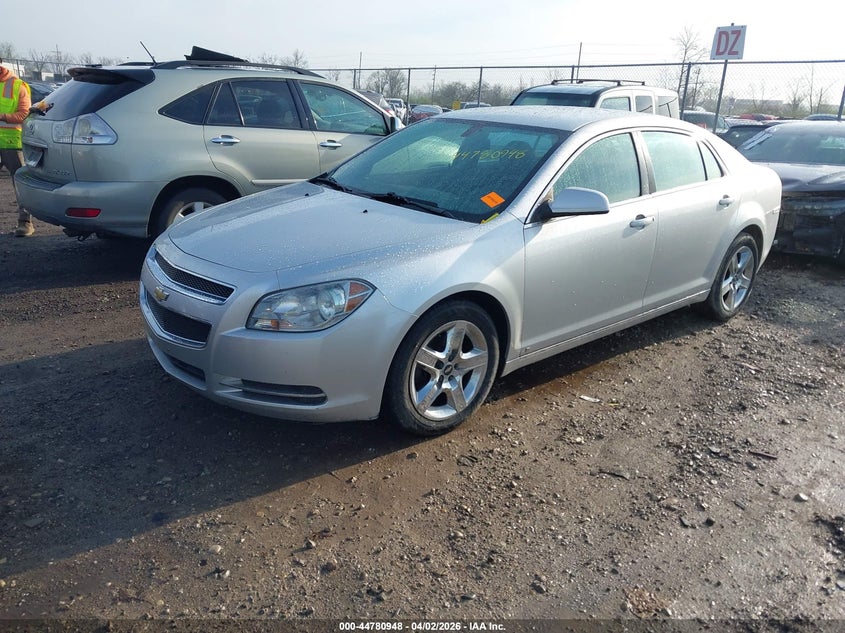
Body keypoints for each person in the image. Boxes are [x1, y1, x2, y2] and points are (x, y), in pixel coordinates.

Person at [0, 58, 34, 237]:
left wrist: (2, 116)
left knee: (20, 184)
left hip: (11, 144)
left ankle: (25, 222)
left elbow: (24, 114)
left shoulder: (17, 86)